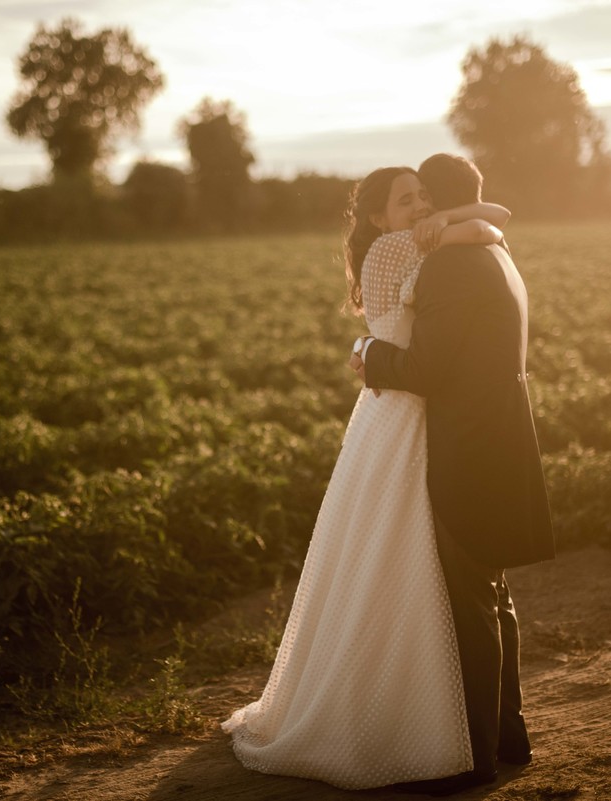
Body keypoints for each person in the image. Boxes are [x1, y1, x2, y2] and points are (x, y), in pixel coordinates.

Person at [222, 165, 509, 790]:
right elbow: (494, 225)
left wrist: (441, 219)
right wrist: (450, 218)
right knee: (394, 550)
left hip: (407, 403)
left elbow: (490, 227)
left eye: (424, 197)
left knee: (406, 554)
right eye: (406, 200)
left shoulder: (417, 241)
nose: (419, 207)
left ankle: (448, 715)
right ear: (379, 218)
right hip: (404, 409)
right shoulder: (395, 247)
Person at [352, 153, 556, 794]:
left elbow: (426, 372)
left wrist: (367, 354)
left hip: (465, 451)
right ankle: (508, 736)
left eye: (421, 200)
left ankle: (475, 759)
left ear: (438, 206)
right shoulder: (498, 255)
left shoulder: (447, 263)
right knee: (492, 596)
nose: (415, 212)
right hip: (500, 442)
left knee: (470, 602)